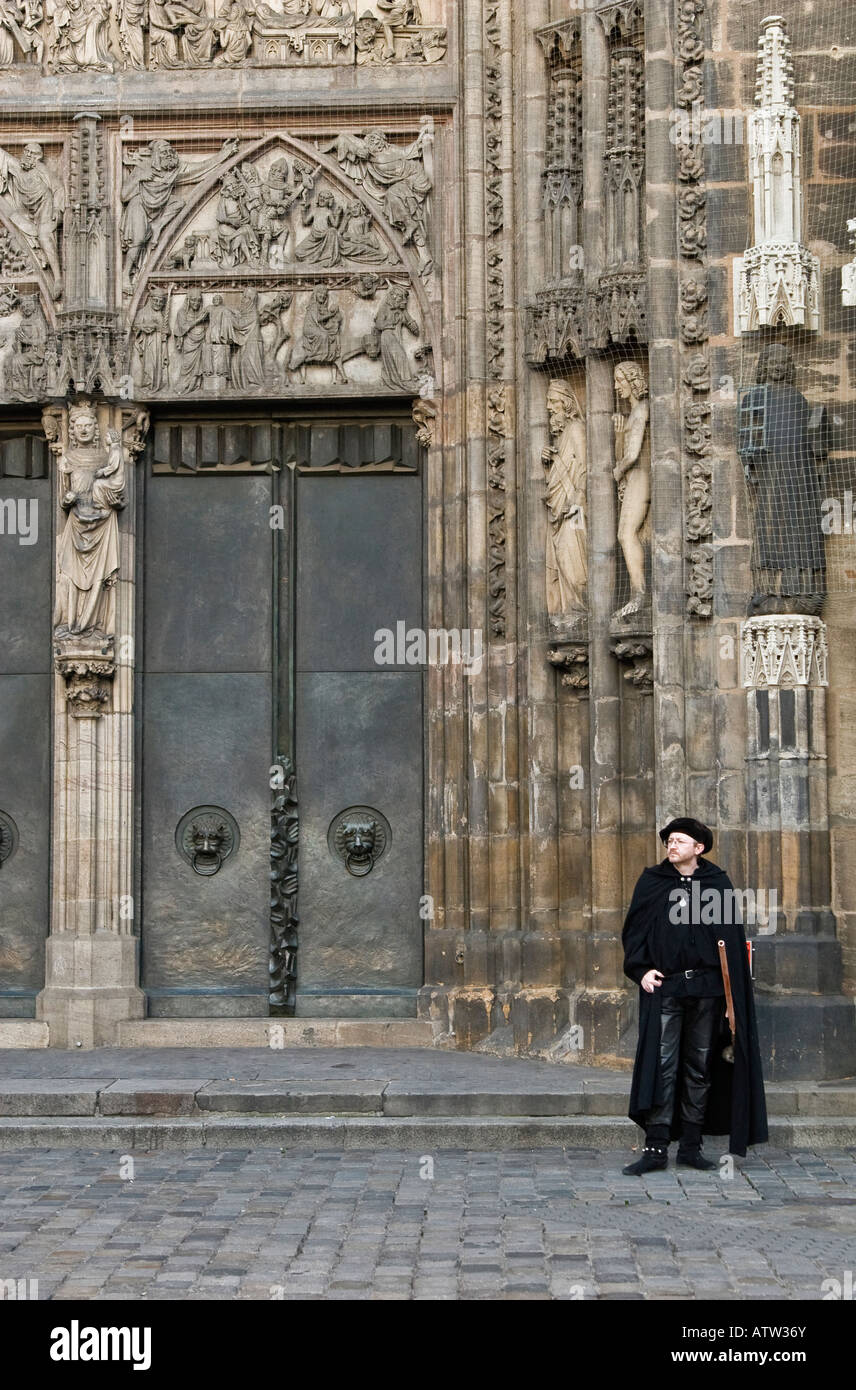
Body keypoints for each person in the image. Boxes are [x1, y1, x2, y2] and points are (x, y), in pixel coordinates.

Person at [621, 817, 768, 1174]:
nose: (671, 846)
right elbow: (634, 931)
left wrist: (729, 986)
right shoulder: (653, 882)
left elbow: (732, 939)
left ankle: (690, 1145)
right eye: (669, 841)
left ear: (698, 848)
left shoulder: (716, 884)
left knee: (699, 1067)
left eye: (679, 841)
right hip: (667, 987)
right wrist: (641, 971)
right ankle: (656, 1148)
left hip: (707, 990)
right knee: (663, 1065)